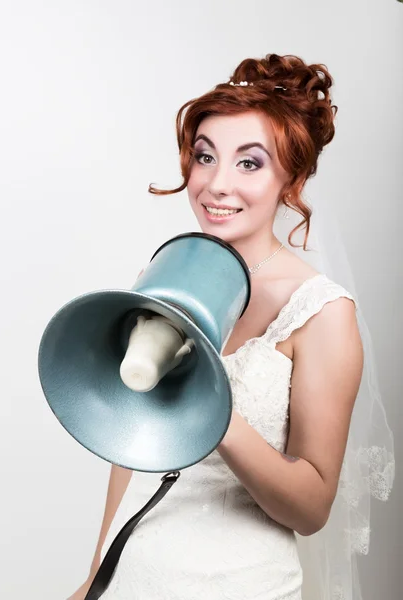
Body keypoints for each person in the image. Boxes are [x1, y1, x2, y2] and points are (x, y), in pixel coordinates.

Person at [68, 54, 394, 600]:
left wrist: (213, 412)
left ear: (291, 176)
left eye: (250, 163)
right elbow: (130, 446)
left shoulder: (321, 312)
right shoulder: (160, 276)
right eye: (204, 157)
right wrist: (96, 575)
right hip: (130, 580)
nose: (217, 185)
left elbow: (312, 508)